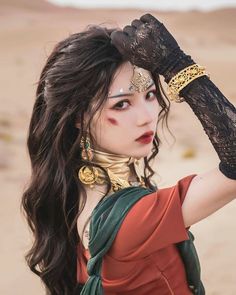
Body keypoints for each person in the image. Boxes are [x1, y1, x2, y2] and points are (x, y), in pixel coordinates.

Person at [21, 13, 236, 295]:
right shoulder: (130, 221)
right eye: (122, 104)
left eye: (149, 95)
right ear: (77, 117)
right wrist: (175, 65)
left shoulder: (74, 193)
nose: (147, 117)